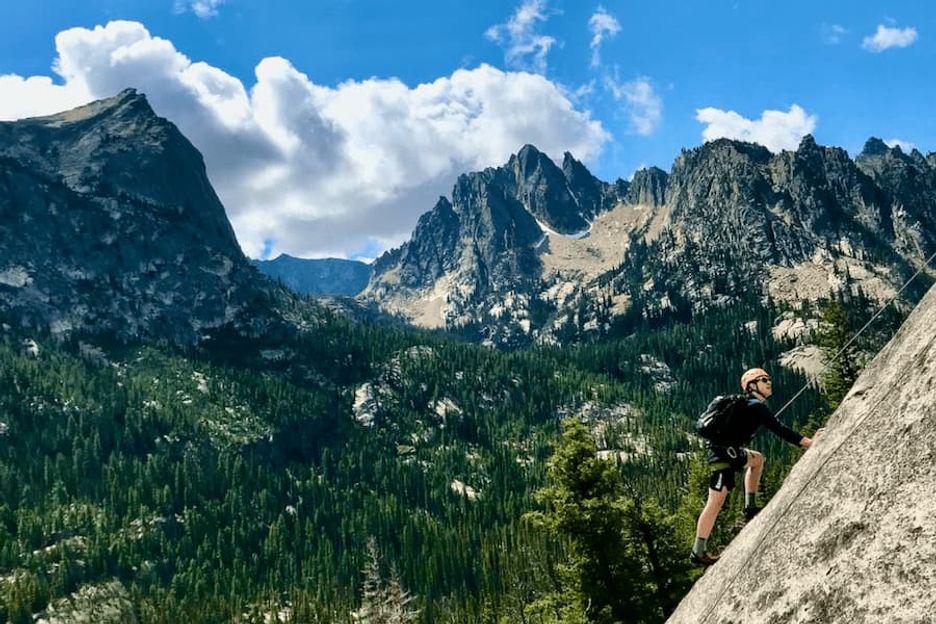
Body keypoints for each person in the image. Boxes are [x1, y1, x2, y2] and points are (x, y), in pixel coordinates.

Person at [690, 368, 822, 566]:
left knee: (757, 460)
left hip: (728, 453)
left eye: (768, 379)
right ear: (752, 386)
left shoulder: (747, 405)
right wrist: (809, 443)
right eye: (764, 379)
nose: (769, 382)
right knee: (715, 502)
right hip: (724, 456)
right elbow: (780, 429)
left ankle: (750, 507)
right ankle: (697, 552)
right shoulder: (755, 406)